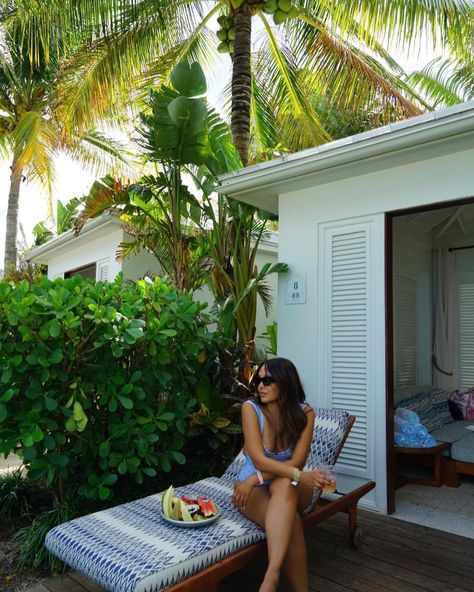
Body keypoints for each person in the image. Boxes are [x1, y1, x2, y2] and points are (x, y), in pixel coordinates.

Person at [232, 357, 334, 592]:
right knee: (292, 521)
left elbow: (297, 462)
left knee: (285, 483)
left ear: (286, 382)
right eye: (258, 380)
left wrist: (255, 478)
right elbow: (258, 459)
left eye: (268, 380)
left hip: (278, 484)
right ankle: (278, 578)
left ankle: (271, 575)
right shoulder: (251, 409)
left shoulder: (305, 413)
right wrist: (258, 479)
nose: (260, 386)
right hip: (252, 491)